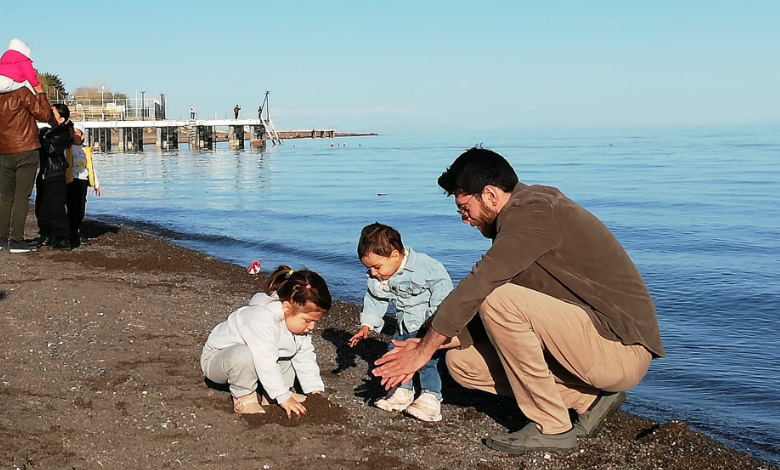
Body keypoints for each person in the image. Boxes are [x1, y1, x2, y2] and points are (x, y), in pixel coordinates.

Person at [373, 147, 664, 454]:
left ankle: (552, 428)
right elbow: (501, 310)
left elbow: (481, 285)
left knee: (497, 298)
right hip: (590, 344)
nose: (465, 220)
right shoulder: (516, 223)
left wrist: (424, 351)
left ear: (490, 194)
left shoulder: (535, 211)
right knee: (462, 364)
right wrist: (436, 342)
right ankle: (589, 401)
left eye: (464, 209)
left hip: (621, 348)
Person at [349, 223, 453, 422]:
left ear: (395, 255)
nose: (373, 273)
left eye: (376, 267)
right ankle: (402, 391)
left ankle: (431, 397)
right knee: (395, 354)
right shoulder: (381, 276)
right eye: (369, 268)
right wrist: (367, 325)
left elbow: (443, 288)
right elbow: (375, 299)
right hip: (404, 325)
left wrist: (437, 316)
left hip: (427, 325)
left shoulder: (425, 267)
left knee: (428, 360)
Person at [201, 266, 332, 417]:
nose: (312, 327)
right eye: (308, 321)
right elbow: (265, 359)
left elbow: (305, 357)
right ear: (287, 307)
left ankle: (272, 396)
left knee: (289, 353)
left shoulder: (298, 326)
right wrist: (282, 396)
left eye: (316, 322)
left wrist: (314, 389)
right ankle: (244, 397)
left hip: (254, 360)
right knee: (243, 355)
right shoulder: (260, 319)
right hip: (218, 360)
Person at [0, 65, 51, 254]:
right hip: (26, 148)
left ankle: (1, 238)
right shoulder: (22, 92)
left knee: (6, 196)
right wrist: (41, 93)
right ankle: (16, 240)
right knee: (22, 196)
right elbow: (44, 115)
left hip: (5, 150)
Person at [34, 104, 75, 251]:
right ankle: (45, 234)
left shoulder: (63, 133)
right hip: (44, 173)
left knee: (56, 208)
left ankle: (63, 238)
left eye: (52, 113)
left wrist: (41, 138)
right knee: (41, 207)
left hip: (56, 174)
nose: (48, 115)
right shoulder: (46, 131)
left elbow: (51, 150)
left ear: (61, 119)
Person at [66, 122, 100, 249]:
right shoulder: (68, 148)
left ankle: (77, 229)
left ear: (83, 136)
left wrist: (96, 184)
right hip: (71, 180)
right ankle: (72, 232)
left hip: (83, 180)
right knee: (72, 206)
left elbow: (91, 168)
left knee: (81, 205)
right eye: (72, 132)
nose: (73, 135)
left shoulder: (86, 151)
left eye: (76, 133)